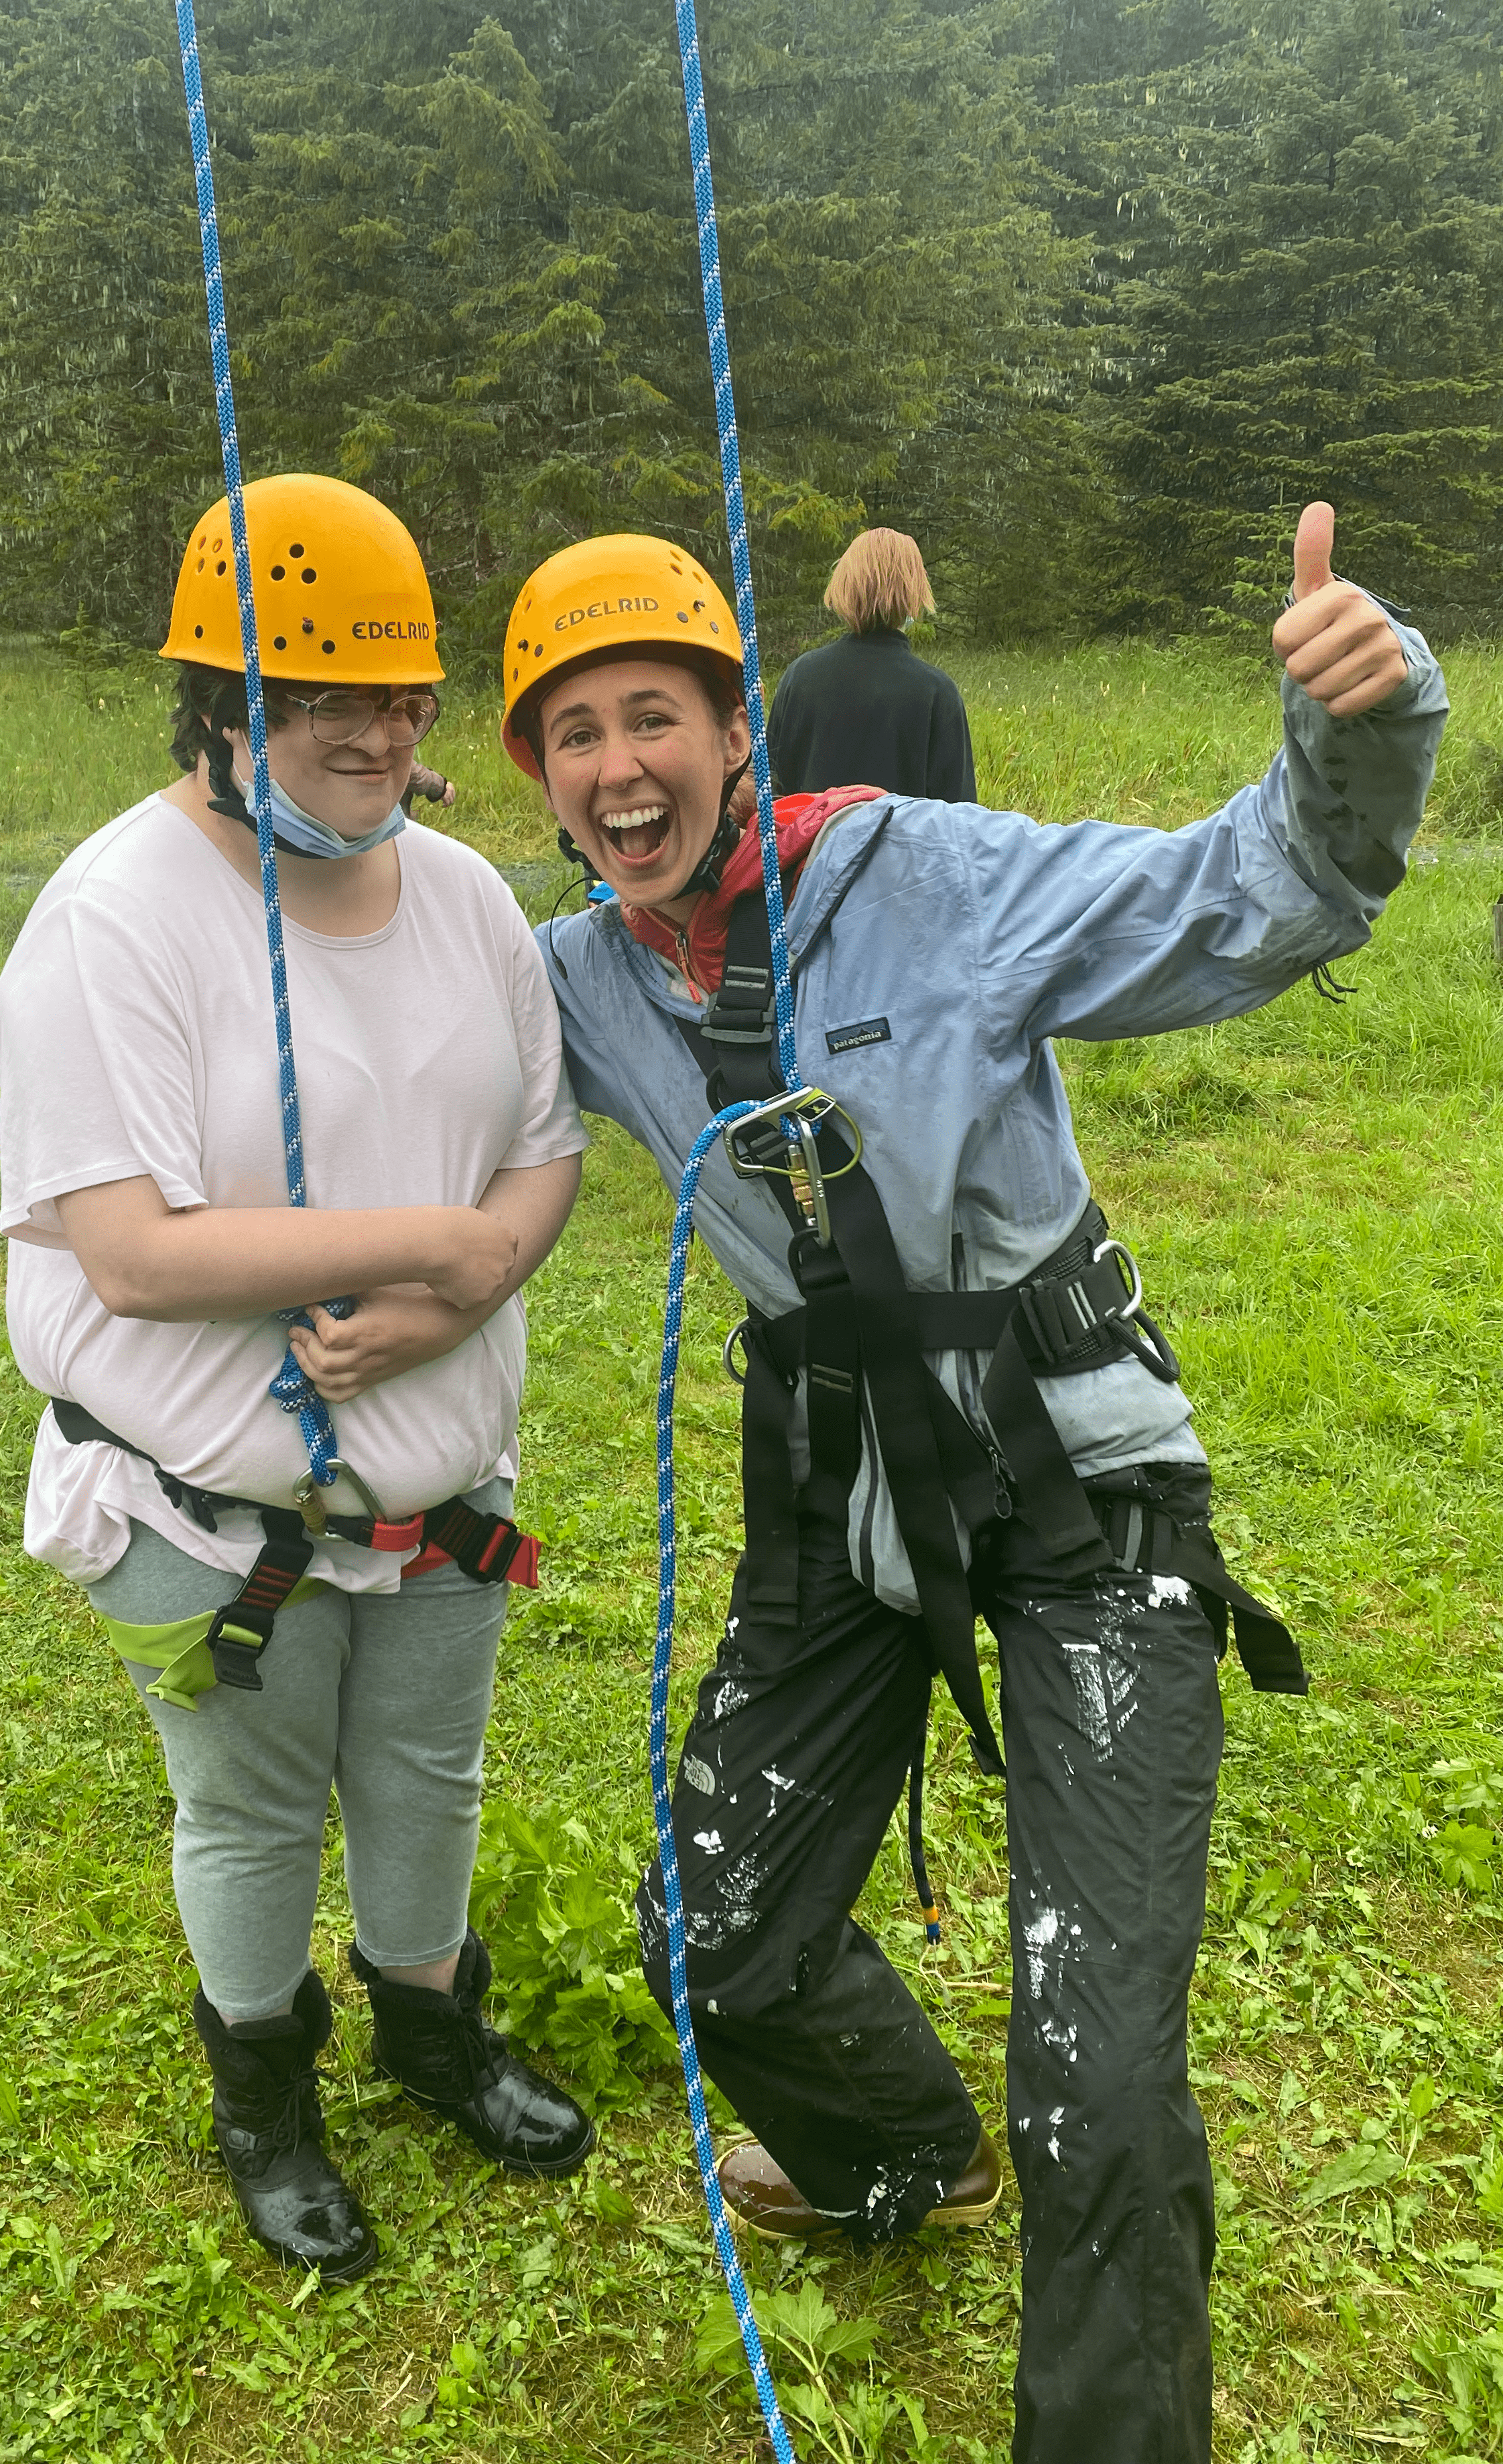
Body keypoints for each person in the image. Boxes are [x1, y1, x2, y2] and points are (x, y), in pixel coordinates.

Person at [498, 509, 1442, 2462]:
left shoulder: (924, 879)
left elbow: (1252, 897)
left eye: (653, 715)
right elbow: (377, 1014)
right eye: (571, 734)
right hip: (838, 1488)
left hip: (1077, 1477)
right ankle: (906, 2158)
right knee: (713, 1940)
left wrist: (1363, 717)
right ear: (538, 778)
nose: (618, 767)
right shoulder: (576, 979)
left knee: (1094, 2067)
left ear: (734, 725)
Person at [0, 472, 594, 2286]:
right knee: (250, 1804)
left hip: (437, 1483)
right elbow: (134, 1254)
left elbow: (541, 1151)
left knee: (428, 1768)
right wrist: (432, 1248)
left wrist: (480, 1266)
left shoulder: (474, 897)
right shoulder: (115, 920)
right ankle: (264, 2091)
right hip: (208, 1505)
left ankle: (430, 2030)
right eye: (325, 697)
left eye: (401, 696)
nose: (375, 733)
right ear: (218, 700)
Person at [767, 526, 976, 801]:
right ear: (915, 591)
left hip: (813, 845)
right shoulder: (937, 692)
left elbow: (771, 792)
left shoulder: (800, 676)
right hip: (903, 846)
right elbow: (960, 817)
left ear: (844, 585)